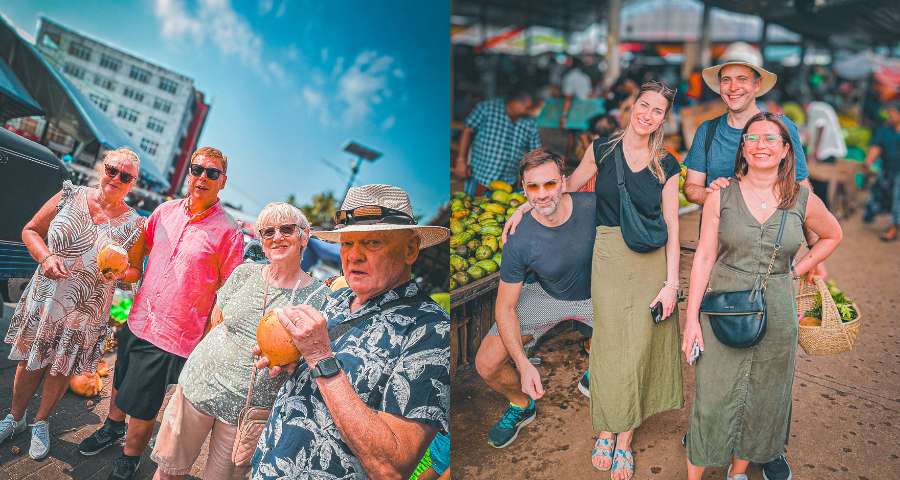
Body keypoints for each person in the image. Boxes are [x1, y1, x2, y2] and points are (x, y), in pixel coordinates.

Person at [505, 81, 683, 480]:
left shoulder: (667, 164)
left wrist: (671, 284)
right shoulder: (602, 148)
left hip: (650, 262)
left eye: (657, 110)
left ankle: (623, 439)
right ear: (631, 105)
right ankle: (606, 425)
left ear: (663, 119)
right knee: (606, 345)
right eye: (644, 105)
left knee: (638, 346)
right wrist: (523, 205)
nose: (647, 114)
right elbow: (559, 185)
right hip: (607, 255)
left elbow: (672, 224)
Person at [681, 46, 821, 480]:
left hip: (773, 253)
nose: (734, 87)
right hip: (728, 251)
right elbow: (692, 189)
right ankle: (712, 437)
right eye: (726, 80)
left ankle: (767, 447)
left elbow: (802, 186)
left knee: (772, 363)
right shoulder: (707, 132)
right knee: (724, 352)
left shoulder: (784, 128)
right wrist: (721, 197)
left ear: (757, 84)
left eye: (742, 79)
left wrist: (813, 255)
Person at [251, 184, 451, 478]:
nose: (353, 256)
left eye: (371, 243)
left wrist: (321, 358)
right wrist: (292, 360)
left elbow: (392, 467)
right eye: (347, 243)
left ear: (410, 249)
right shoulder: (335, 300)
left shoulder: (432, 330)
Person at [78, 147, 245, 480]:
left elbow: (230, 292)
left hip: (175, 335)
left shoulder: (229, 232)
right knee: (121, 380)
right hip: (139, 317)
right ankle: (112, 426)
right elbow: (137, 259)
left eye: (212, 173)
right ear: (189, 173)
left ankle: (131, 455)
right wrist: (115, 269)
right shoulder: (164, 211)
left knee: (143, 401)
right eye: (197, 169)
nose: (202, 177)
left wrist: (213, 340)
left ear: (222, 182)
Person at [149, 203, 329, 479]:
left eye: (286, 229)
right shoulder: (244, 273)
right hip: (200, 386)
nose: (277, 237)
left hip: (249, 411)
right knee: (168, 471)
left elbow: (314, 352)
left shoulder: (318, 297)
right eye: (268, 232)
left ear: (305, 235)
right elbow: (216, 321)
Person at [0, 148, 145, 460]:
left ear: (133, 183)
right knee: (28, 360)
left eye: (125, 176)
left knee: (60, 368)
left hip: (86, 310)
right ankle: (15, 418)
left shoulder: (135, 225)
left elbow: (135, 271)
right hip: (46, 298)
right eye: (112, 169)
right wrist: (46, 256)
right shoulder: (69, 195)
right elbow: (30, 230)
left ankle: (40, 422)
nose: (116, 178)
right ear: (101, 168)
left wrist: (120, 271)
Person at [474, 149, 596, 449]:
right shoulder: (518, 237)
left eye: (550, 184)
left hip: (597, 296)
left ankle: (601, 366)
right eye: (533, 187)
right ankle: (520, 404)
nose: (542, 195)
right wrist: (522, 363)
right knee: (486, 363)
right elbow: (504, 306)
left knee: (641, 332)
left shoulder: (594, 207)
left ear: (564, 182)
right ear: (523, 189)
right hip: (547, 295)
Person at [455, 89, 542, 196]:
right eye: (527, 107)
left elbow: (535, 152)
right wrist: (461, 160)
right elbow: (467, 130)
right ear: (514, 101)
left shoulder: (530, 122)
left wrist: (528, 176)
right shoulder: (487, 108)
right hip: (479, 177)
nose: (528, 111)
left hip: (508, 183)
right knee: (470, 208)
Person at [863, 101, 900, 241]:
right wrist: (868, 161)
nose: (889, 115)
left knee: (898, 198)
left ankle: (893, 228)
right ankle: (873, 214)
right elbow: (876, 147)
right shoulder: (884, 130)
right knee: (880, 193)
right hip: (887, 169)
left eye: (893, 112)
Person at [806, 98, 848, 207]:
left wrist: (815, 151)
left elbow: (820, 126)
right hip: (828, 150)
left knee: (820, 184)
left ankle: (823, 208)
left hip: (825, 151)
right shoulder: (821, 107)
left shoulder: (815, 109)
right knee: (822, 183)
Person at [561, 57, 593, 128]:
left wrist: (564, 115)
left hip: (574, 110)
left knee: (572, 130)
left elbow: (568, 98)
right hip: (586, 108)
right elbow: (590, 94)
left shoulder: (569, 77)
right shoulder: (586, 77)